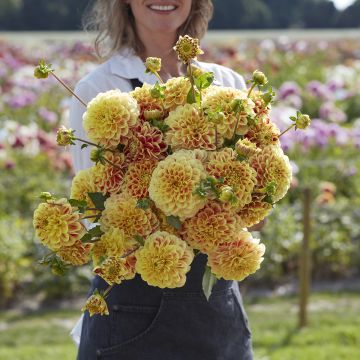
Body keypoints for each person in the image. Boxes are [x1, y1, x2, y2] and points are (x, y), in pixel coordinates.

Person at [69, 1, 254, 359]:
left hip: (216, 311)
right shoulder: (98, 90)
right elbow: (95, 211)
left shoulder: (228, 85)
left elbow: (256, 211)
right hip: (130, 310)